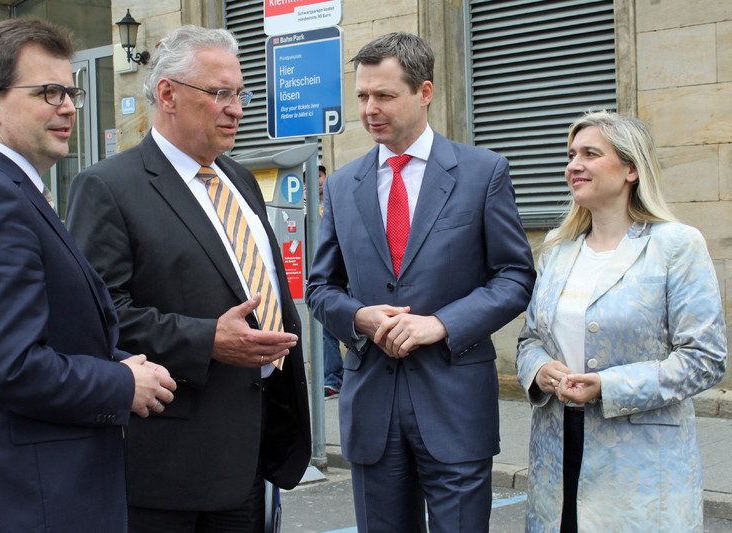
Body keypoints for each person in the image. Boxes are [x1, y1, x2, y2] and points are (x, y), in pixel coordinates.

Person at [0, 18, 176, 533]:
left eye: (71, 91)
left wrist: (119, 362)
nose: (67, 106)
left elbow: (46, 331)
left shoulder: (9, 187)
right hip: (26, 500)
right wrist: (119, 382)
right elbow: (10, 366)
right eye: (47, 92)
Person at [66, 25, 311, 532]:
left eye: (240, 93)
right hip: (171, 472)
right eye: (220, 93)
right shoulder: (109, 187)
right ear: (168, 94)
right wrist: (207, 340)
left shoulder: (239, 179)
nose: (237, 108)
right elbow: (98, 315)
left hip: (253, 451)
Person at [306, 32, 535, 532]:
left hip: (453, 406)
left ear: (424, 92)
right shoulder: (343, 185)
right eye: (363, 95)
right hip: (371, 408)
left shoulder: (483, 172)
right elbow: (321, 288)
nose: (369, 109)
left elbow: (515, 276)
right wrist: (360, 318)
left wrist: (442, 324)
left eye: (384, 95)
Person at [516, 111, 727, 532]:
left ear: (631, 168)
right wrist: (539, 370)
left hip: (642, 464)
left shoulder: (676, 245)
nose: (574, 164)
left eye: (591, 153)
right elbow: (530, 340)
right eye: (572, 154)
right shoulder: (558, 249)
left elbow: (705, 359)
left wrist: (609, 386)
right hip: (558, 451)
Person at [317, 165, 345, 397]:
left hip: (350, 277)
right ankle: (332, 380)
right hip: (328, 280)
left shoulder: (341, 195)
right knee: (328, 332)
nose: (315, 182)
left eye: (319, 176)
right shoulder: (304, 206)